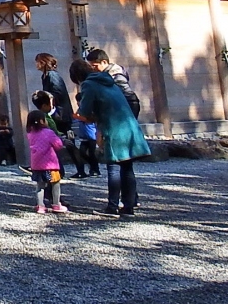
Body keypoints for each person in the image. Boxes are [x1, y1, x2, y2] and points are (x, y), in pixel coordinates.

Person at [75, 58, 149, 216]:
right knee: (127, 167)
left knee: (113, 167)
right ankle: (129, 206)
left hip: (113, 128)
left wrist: (78, 115)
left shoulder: (88, 85)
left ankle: (112, 206)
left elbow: (85, 110)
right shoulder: (109, 80)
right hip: (129, 126)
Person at [33, 90, 85, 178]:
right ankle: (59, 171)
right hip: (54, 137)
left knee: (72, 149)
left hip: (64, 132)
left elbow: (66, 121)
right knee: (54, 152)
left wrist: (68, 131)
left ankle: (81, 171)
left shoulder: (60, 110)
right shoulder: (43, 116)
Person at [26, 110, 68, 214]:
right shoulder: (49, 133)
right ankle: (56, 204)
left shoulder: (30, 134)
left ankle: (40, 206)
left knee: (40, 186)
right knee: (55, 184)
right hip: (50, 164)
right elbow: (58, 145)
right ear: (42, 121)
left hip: (37, 165)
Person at [68, 59, 102, 176]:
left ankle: (95, 169)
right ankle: (91, 168)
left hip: (92, 135)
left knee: (92, 153)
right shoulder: (100, 82)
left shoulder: (88, 85)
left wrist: (78, 116)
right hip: (84, 136)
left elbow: (86, 115)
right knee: (82, 153)